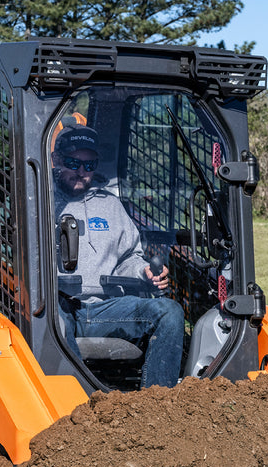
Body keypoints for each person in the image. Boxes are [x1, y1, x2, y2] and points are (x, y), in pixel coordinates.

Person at [52, 122, 184, 388]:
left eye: (89, 166)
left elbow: (129, 257)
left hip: (103, 309)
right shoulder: (40, 201)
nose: (81, 171)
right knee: (54, 321)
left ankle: (158, 405)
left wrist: (143, 271)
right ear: (56, 160)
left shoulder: (110, 205)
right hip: (58, 306)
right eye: (73, 162)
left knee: (168, 311)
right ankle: (79, 400)